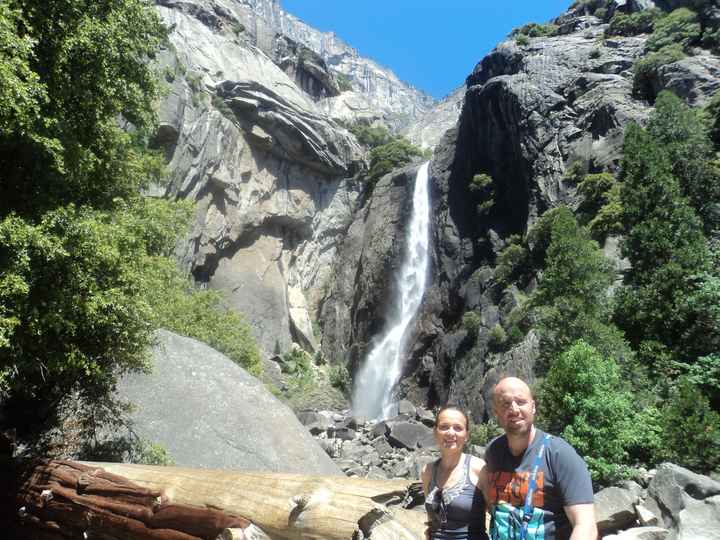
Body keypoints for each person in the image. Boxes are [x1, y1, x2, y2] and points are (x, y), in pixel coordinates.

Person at [483, 377, 597, 540]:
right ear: (496, 412)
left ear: (533, 407)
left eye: (521, 402)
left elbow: (585, 525)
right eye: (505, 403)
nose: (514, 409)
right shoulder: (493, 452)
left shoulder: (559, 454)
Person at [421, 405, 489, 540]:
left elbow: (497, 515)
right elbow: (431, 520)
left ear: (466, 435)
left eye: (458, 428)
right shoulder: (428, 471)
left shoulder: (479, 469)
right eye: (444, 427)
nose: (450, 433)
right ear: (435, 432)